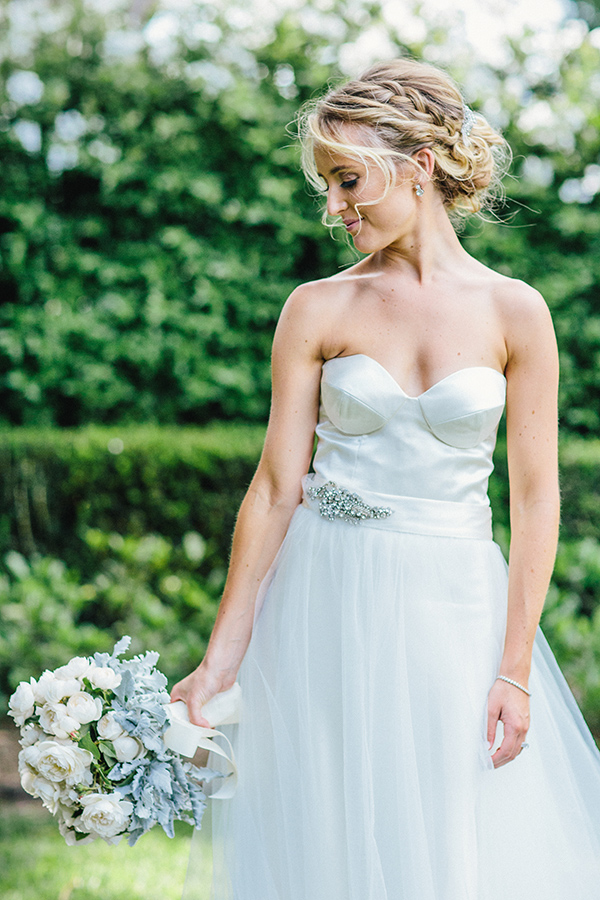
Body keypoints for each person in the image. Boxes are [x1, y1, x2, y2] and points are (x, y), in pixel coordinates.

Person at [172, 58, 600, 900]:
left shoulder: (518, 312)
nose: (332, 208)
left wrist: (514, 667)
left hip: (455, 606)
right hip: (322, 598)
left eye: (345, 180)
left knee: (451, 824)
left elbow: (536, 497)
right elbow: (274, 487)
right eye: (326, 186)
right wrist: (222, 659)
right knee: (329, 822)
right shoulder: (316, 308)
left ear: (420, 165)